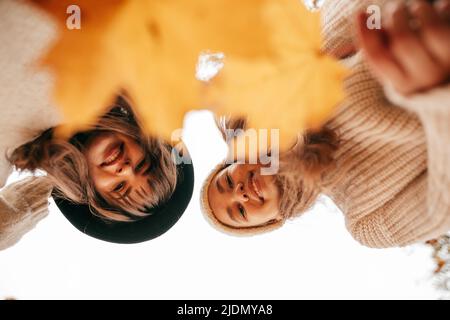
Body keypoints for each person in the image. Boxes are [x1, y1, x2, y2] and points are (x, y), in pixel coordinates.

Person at [200, 0, 450, 248]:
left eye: (229, 182)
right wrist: (436, 94)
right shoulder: (367, 220)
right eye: (240, 211)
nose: (240, 193)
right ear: (272, 221)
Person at [0, 0, 193, 250]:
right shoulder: (112, 56)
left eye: (119, 187)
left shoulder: (9, 149)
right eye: (142, 164)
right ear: (145, 141)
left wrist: (14, 215)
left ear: (88, 190)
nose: (125, 169)